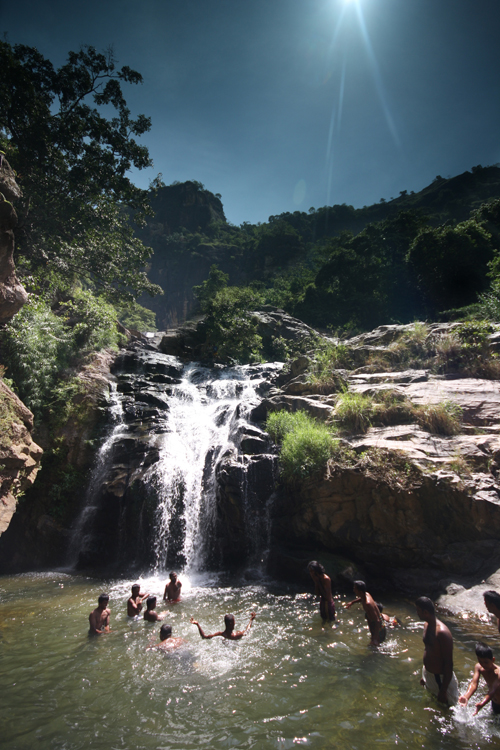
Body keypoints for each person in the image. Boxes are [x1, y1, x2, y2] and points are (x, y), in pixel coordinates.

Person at [415, 596, 459, 705]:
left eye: (418, 611)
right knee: (435, 704)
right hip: (430, 674)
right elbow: (429, 650)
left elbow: (449, 663)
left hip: (441, 679)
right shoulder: (426, 625)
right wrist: (425, 675)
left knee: (447, 709)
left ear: (425, 612)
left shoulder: (442, 633)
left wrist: (443, 690)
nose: (417, 613)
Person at [459, 642, 500, 715]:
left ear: (493, 660)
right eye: (480, 661)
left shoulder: (498, 673)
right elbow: (474, 684)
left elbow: (492, 691)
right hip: (494, 703)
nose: (483, 664)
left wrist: (481, 704)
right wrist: (466, 697)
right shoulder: (479, 667)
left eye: (486, 662)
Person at [346, 581, 386, 646]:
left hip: (378, 627)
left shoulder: (368, 604)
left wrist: (375, 639)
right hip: (373, 624)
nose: (353, 590)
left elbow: (377, 621)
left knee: (374, 646)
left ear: (360, 592)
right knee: (373, 644)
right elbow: (361, 598)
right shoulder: (366, 594)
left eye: (355, 589)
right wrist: (352, 602)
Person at [190, 612, 256, 640]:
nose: (235, 623)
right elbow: (247, 630)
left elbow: (204, 637)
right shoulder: (237, 634)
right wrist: (251, 619)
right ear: (231, 624)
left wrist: (197, 624)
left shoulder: (220, 634)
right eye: (234, 621)